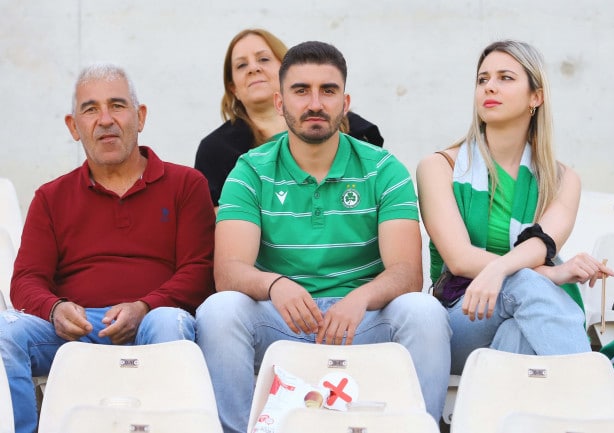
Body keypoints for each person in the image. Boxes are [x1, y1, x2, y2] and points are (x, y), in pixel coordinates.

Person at [195, 41, 451, 433]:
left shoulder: (384, 168)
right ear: (280, 102)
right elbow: (228, 272)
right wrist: (276, 285)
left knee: (424, 312)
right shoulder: (250, 170)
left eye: (328, 91)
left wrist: (360, 298)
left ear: (345, 103)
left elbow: (406, 273)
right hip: (283, 319)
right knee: (219, 311)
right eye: (301, 91)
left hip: (362, 319)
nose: (315, 103)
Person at [0, 63, 215, 433]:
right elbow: (26, 280)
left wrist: (144, 306)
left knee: (169, 322)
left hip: (154, 321)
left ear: (140, 116)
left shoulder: (186, 184)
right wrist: (55, 308)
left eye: (117, 105)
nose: (105, 120)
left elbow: (200, 271)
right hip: (75, 329)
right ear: (73, 126)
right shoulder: (51, 197)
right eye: (90, 109)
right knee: (6, 332)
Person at [416, 40, 614, 375]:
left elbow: (542, 244)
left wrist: (502, 270)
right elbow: (459, 258)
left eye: (505, 78)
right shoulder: (439, 167)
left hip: (527, 313)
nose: (490, 87)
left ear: (536, 97)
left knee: (518, 333)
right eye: (482, 79)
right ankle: (592, 391)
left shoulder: (562, 180)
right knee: (524, 282)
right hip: (460, 317)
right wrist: (548, 274)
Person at [194, 28, 384, 210]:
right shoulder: (216, 149)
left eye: (263, 59)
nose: (253, 68)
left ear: (286, 70)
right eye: (241, 65)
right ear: (233, 88)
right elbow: (214, 219)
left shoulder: (353, 128)